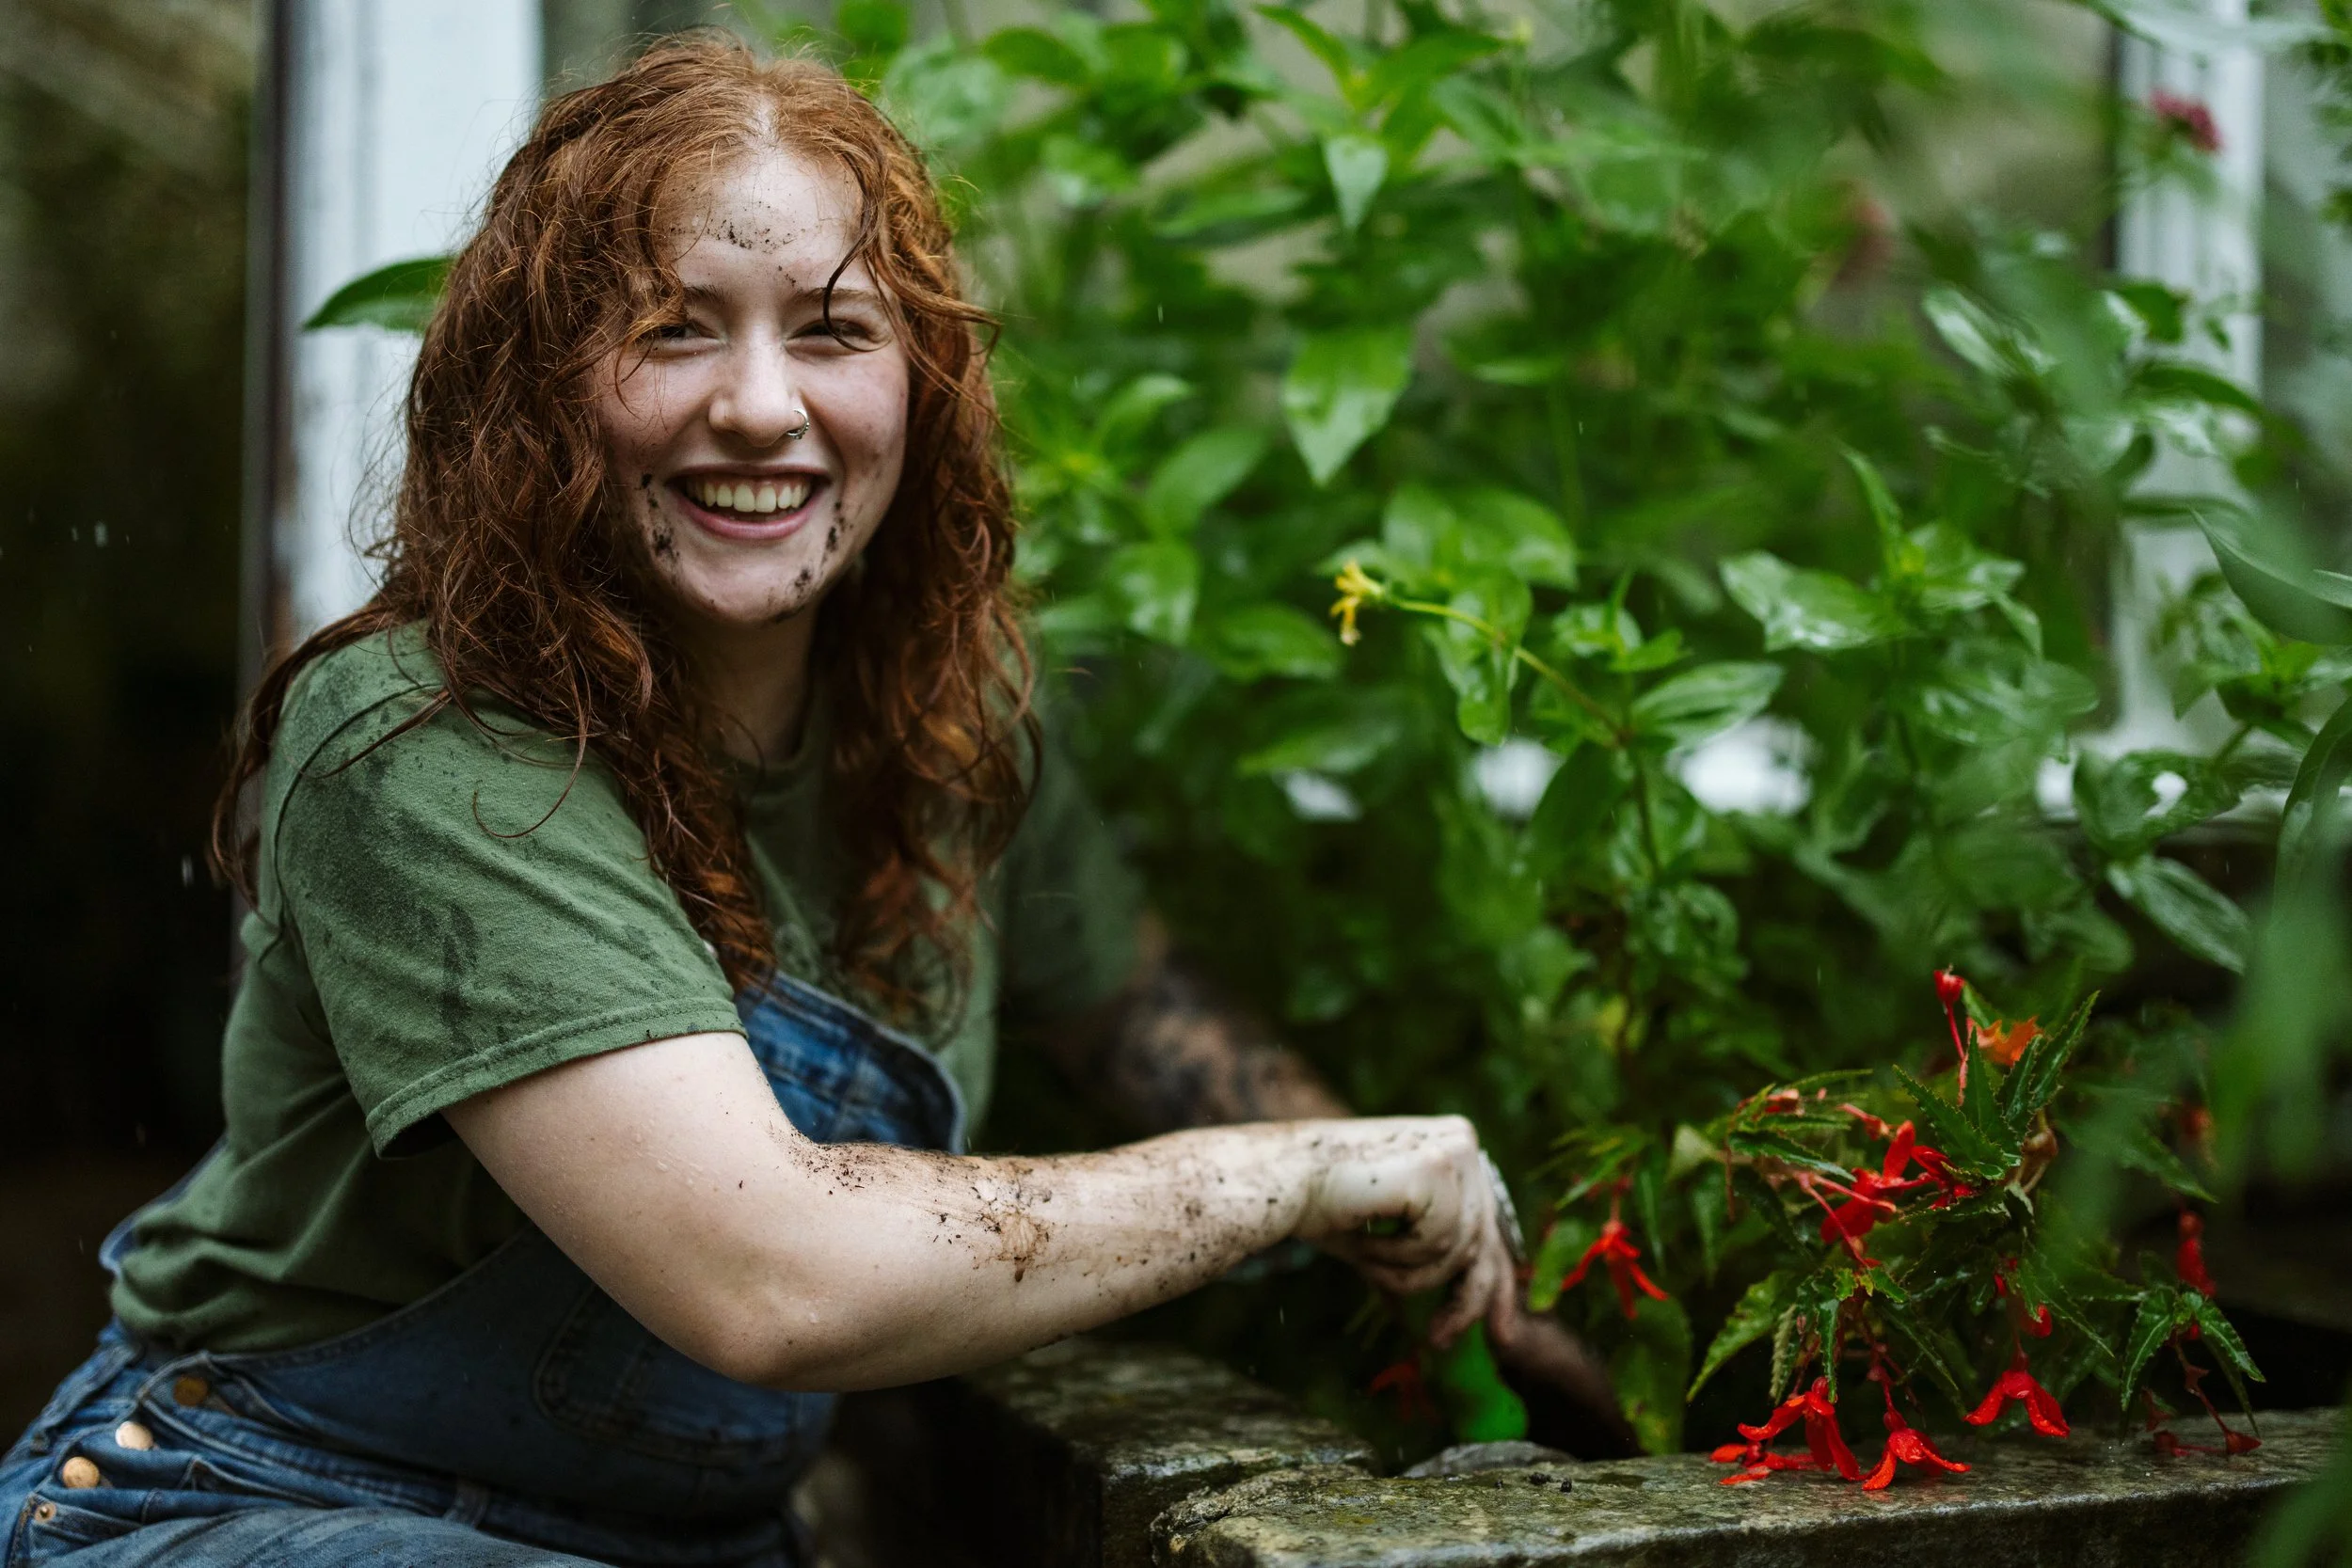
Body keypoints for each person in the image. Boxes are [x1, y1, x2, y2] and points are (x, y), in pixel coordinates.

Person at [0, 38, 1613, 1568]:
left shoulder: (936, 722)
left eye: (833, 332)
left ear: (920, 392)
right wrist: (1298, 1179)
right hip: (259, 1500)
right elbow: (765, 1269)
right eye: (676, 326)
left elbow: (1136, 1005)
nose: (763, 405)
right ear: (541, 385)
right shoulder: (424, 740)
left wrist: (1465, 1268)